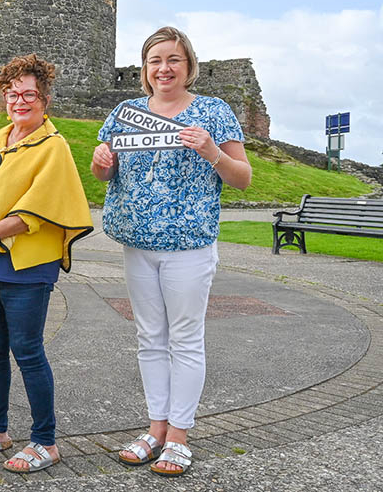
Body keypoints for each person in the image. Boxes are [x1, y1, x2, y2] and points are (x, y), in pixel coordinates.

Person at [92, 26, 252, 477]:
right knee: (149, 338)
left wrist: (211, 152)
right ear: (144, 69)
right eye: (155, 61)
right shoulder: (126, 112)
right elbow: (104, 170)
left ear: (189, 66)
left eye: (173, 60)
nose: (164, 69)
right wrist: (101, 164)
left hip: (188, 245)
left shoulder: (213, 112)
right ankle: (155, 428)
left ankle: (180, 434)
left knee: (185, 339)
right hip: (136, 241)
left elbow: (242, 178)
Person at [0, 54, 92, 473]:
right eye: (12, 94)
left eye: (29, 94)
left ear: (45, 99)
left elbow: (40, 209)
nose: (20, 101)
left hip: (26, 268)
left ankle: (45, 441)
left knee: (27, 351)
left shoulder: (53, 147)